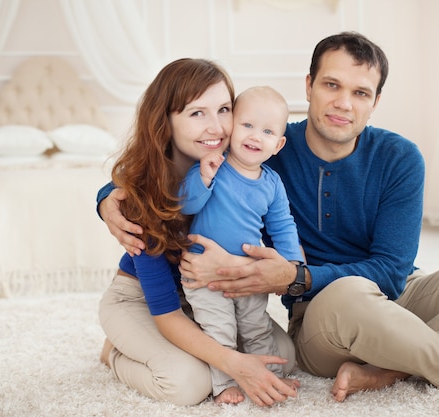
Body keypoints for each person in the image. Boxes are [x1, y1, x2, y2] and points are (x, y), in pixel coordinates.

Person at [98, 32, 439, 402]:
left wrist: (293, 273)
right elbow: (166, 167)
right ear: (309, 87)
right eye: (331, 85)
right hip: (326, 309)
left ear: (375, 101)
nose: (344, 103)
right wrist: (107, 197)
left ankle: (393, 368)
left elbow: (391, 270)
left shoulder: (399, 157)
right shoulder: (262, 151)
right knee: (347, 294)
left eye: (361, 92)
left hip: (395, 292)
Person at [97, 58, 300, 407]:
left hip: (209, 295)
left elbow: (280, 222)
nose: (217, 127)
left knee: (283, 354)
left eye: (223, 109)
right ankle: (114, 352)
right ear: (165, 121)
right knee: (189, 383)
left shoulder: (243, 159)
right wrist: (233, 363)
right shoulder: (143, 193)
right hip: (145, 301)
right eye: (197, 113)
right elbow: (164, 310)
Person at [179, 86, 304, 404]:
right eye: (247, 125)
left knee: (256, 327)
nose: (255, 136)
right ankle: (223, 385)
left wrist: (289, 264)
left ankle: (269, 376)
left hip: (249, 277)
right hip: (204, 274)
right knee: (219, 329)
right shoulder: (213, 166)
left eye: (266, 131)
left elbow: (283, 226)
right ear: (232, 127)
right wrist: (203, 179)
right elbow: (186, 205)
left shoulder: (272, 184)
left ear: (278, 144)